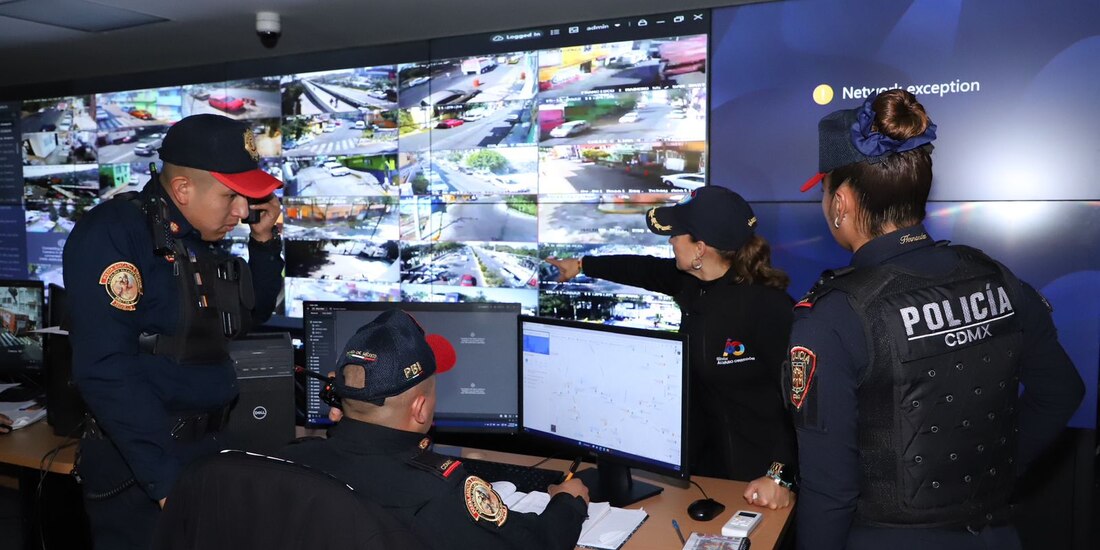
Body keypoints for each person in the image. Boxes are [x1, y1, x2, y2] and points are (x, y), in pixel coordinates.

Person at [788, 89, 1085, 550]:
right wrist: (996, 470)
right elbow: (1062, 391)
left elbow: (831, 492)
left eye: (824, 191)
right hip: (997, 534)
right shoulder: (997, 278)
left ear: (841, 202)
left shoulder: (832, 317)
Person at [63, 113, 285, 549]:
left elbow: (247, 315)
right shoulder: (116, 233)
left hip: (209, 449)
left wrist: (263, 243)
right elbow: (106, 368)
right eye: (231, 196)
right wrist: (166, 483)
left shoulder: (195, 237)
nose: (242, 212)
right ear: (183, 189)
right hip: (144, 465)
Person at [546, 186, 798, 509]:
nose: (670, 240)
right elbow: (640, 269)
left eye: (676, 234)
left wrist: (779, 475)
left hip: (759, 483)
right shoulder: (691, 282)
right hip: (706, 477)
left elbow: (803, 403)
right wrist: (581, 265)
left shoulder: (768, 308)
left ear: (700, 249)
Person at [278, 308, 591, 550]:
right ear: (421, 408)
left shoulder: (291, 460)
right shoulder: (440, 492)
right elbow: (536, 543)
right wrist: (569, 502)